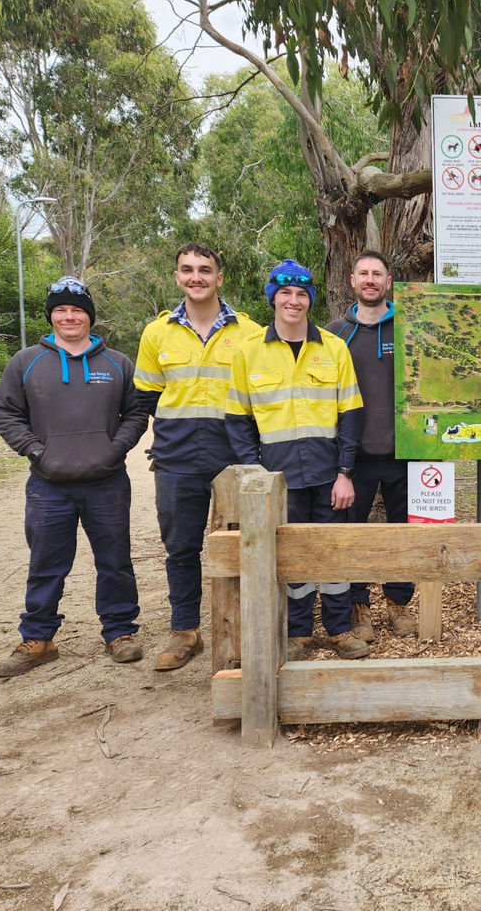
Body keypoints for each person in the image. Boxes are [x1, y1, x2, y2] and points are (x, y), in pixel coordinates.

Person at [0, 277, 149, 676]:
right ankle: (38, 639)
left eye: (77, 309)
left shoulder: (117, 363)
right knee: (46, 564)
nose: (69, 316)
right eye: (61, 309)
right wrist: (34, 449)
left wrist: (116, 449)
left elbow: (136, 412)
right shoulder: (26, 363)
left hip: (107, 482)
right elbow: (6, 413)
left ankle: (119, 632)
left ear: (89, 316)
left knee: (114, 562)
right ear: (51, 316)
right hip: (48, 485)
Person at [225, 261, 368, 661]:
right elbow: (238, 421)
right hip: (278, 478)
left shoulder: (333, 348)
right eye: (285, 293)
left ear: (310, 300)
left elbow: (351, 414)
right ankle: (299, 632)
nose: (294, 300)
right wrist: (256, 476)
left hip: (328, 474)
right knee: (290, 558)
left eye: (302, 294)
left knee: (332, 553)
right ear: (273, 297)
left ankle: (340, 630)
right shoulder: (249, 352)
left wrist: (345, 473)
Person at [134, 243, 263, 671]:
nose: (196, 277)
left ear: (219, 277)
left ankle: (247, 627)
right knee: (181, 548)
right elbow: (147, 397)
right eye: (187, 270)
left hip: (235, 455)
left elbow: (259, 396)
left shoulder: (250, 333)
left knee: (245, 545)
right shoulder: (157, 334)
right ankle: (184, 630)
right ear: (176, 276)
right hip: (177, 457)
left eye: (205, 270)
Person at [326, 250, 417, 641]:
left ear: (388, 282)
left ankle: (399, 603)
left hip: (406, 453)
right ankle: (358, 606)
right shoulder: (334, 334)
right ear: (352, 280)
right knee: (353, 534)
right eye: (363, 273)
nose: (370, 280)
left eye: (377, 274)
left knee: (405, 532)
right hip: (352, 457)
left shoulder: (410, 329)